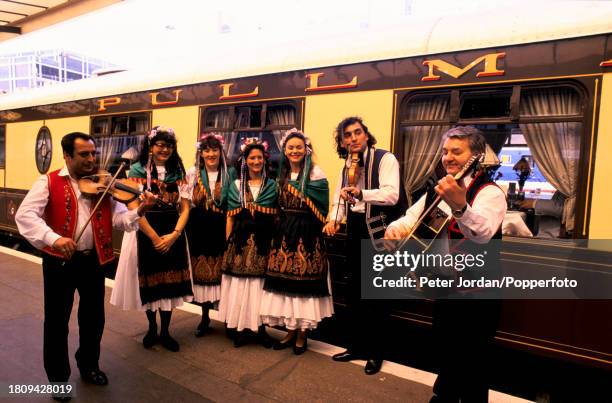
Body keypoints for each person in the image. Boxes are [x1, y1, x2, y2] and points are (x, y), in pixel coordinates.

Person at [15, 132, 156, 398]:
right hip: (60, 262)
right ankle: (58, 380)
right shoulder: (48, 182)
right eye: (84, 154)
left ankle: (89, 365)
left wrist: (140, 210)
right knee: (57, 321)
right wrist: (54, 239)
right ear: (67, 156)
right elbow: (25, 216)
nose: (92, 159)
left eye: (93, 154)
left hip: (94, 259)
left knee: (93, 319)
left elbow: (121, 221)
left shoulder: (102, 185)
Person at [385, 126, 507, 403]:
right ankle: (445, 395)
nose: (448, 157)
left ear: (475, 156)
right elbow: (411, 217)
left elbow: (484, 233)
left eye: (456, 151)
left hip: (479, 294)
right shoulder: (439, 188)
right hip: (447, 287)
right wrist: (394, 229)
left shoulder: (490, 192)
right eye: (445, 151)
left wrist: (461, 207)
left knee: (474, 362)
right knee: (448, 351)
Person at [323, 116, 407, 375]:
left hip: (381, 231)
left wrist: (362, 193)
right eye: (347, 135)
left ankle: (376, 352)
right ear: (343, 142)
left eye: (357, 133)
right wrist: (334, 220)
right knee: (355, 292)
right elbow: (340, 199)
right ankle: (357, 347)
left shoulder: (385, 159)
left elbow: (392, 195)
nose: (353, 138)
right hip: (357, 228)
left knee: (377, 296)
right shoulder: (347, 166)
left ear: (366, 135)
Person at [110, 126, 192, 352]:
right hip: (144, 232)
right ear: (150, 146)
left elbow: (185, 208)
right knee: (150, 281)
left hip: (172, 232)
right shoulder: (136, 170)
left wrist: (174, 236)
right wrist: (156, 238)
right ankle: (152, 328)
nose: (165, 149)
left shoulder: (178, 171)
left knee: (170, 283)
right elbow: (134, 207)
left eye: (169, 146)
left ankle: (165, 331)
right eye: (160, 145)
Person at [260, 129, 333, 355]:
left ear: (306, 150)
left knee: (303, 287)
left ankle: (302, 334)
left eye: (298, 147)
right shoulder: (280, 174)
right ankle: (290, 331)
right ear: (284, 150)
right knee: (286, 287)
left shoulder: (315, 173)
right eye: (290, 147)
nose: (294, 151)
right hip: (284, 235)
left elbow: (321, 206)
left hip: (307, 234)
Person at [218, 138, 278, 348]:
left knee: (259, 288)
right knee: (239, 288)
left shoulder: (272, 185)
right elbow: (230, 217)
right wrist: (228, 243)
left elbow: (276, 217)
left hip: (263, 243)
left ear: (265, 160)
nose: (256, 161)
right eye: (252, 157)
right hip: (239, 243)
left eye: (259, 157)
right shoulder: (235, 186)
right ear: (244, 160)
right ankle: (239, 328)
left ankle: (259, 329)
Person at [185, 133, 231, 337]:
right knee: (202, 274)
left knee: (225, 275)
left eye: (214, 150)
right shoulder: (192, 173)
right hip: (199, 228)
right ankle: (204, 317)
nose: (211, 154)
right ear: (201, 153)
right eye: (206, 150)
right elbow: (185, 203)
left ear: (221, 152)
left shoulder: (231, 174)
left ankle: (228, 319)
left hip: (223, 228)